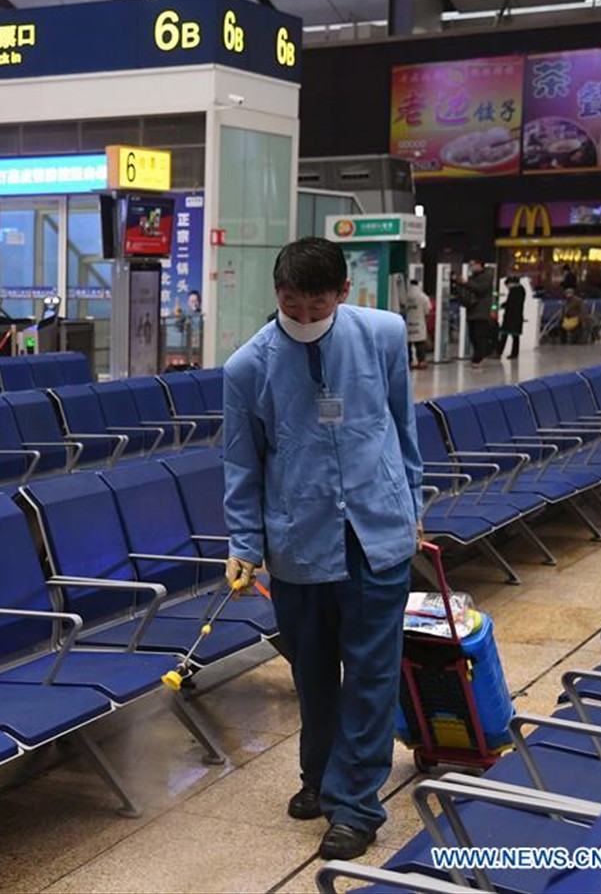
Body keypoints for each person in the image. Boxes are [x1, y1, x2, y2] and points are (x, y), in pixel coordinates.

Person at [222, 237, 422, 862]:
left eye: (317, 304)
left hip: (376, 534)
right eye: (291, 302)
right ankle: (321, 777)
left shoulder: (384, 335)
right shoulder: (247, 367)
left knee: (371, 674)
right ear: (275, 294)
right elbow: (241, 463)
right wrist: (244, 543)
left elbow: (401, 425)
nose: (304, 315)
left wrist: (410, 507)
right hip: (299, 542)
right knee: (312, 674)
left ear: (343, 294)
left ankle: (357, 805)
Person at [453, 259, 495, 366]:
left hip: (482, 312)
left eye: (473, 265)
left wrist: (466, 283)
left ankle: (479, 358)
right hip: (471, 311)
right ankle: (476, 357)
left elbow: (480, 289)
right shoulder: (473, 278)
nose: (471, 267)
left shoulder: (487, 276)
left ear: (480, 264)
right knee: (472, 336)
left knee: (479, 335)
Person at [401, 280, 431, 369]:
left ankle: (409, 362)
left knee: (408, 344)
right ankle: (421, 361)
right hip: (419, 323)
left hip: (408, 323)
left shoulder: (405, 296)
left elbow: (402, 307)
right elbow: (428, 310)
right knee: (420, 343)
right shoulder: (423, 297)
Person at [497, 277, 527, 360]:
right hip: (517, 316)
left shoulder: (515, 291)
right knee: (515, 337)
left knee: (504, 334)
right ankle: (514, 353)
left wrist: (501, 306)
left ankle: (499, 352)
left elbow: (510, 303)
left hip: (511, 317)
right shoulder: (521, 290)